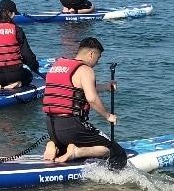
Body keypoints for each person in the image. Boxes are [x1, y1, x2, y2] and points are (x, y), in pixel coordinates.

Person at [42, 36, 125, 168]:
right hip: (72, 126)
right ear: (91, 54)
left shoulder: (58, 65)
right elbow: (91, 98)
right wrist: (107, 116)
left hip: (51, 126)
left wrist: (105, 86)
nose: (97, 63)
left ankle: (56, 145)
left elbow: (76, 88)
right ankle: (76, 152)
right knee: (115, 151)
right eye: (98, 58)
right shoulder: (86, 69)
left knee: (69, 140)